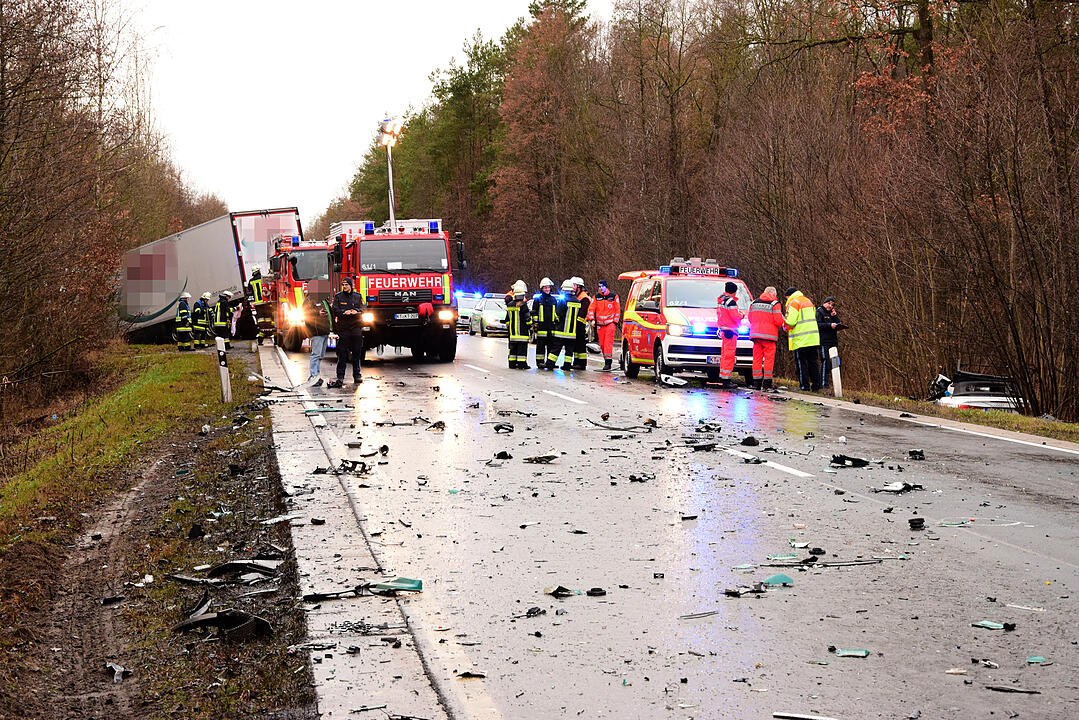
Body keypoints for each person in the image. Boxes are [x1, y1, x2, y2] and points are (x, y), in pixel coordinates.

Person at [328, 277, 365, 388]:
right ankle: (340, 376)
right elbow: (335, 310)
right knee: (342, 354)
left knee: (357, 353)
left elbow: (364, 308)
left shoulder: (357, 296)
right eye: (343, 285)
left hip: (356, 328)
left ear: (350, 285)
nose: (344, 287)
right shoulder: (338, 297)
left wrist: (356, 311)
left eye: (346, 285)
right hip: (344, 329)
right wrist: (345, 312)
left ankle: (357, 375)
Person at [784, 286, 821, 391]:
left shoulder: (793, 303)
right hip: (813, 338)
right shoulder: (808, 301)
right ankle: (816, 386)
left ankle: (805, 386)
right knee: (813, 363)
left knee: (802, 364)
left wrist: (784, 326)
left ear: (789, 296)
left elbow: (790, 322)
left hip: (801, 338)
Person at [748, 286, 785, 390]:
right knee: (769, 360)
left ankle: (756, 383)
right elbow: (778, 321)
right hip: (769, 336)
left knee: (757, 359)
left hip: (756, 335)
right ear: (774, 294)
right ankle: (767, 384)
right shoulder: (775, 304)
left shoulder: (754, 303)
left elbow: (750, 318)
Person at [302, 279, 333, 386]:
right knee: (316, 355)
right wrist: (317, 312)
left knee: (320, 355)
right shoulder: (309, 299)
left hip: (324, 331)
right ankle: (313, 376)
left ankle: (316, 375)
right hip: (316, 331)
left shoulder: (324, 300)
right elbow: (306, 312)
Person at [715, 281, 744, 388]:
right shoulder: (731, 301)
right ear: (734, 291)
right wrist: (742, 315)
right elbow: (735, 316)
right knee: (729, 356)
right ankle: (726, 380)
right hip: (731, 330)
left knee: (724, 355)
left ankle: (722, 376)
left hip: (724, 330)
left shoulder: (721, 300)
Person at [589, 280, 621, 371]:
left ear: (606, 287)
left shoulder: (613, 296)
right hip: (600, 324)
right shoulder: (596, 297)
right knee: (602, 344)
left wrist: (615, 322)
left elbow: (617, 310)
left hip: (610, 324)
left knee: (608, 343)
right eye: (599, 287)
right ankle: (606, 359)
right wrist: (592, 319)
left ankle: (608, 362)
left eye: (602, 286)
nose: (600, 288)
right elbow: (591, 309)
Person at [533, 278, 560, 370]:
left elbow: (556, 313)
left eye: (548, 287)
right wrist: (535, 324)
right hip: (541, 327)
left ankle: (550, 363)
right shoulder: (538, 300)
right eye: (545, 288)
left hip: (551, 327)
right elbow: (534, 312)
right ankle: (540, 362)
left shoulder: (553, 300)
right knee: (540, 346)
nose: (547, 289)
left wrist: (556, 323)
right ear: (542, 288)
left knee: (551, 346)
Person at [504, 280, 532, 369]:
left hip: (513, 333)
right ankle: (521, 364)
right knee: (522, 350)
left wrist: (509, 328)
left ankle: (512, 364)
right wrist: (530, 327)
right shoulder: (523, 305)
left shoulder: (509, 305)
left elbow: (507, 319)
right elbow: (527, 319)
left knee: (513, 349)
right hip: (522, 333)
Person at [553, 279, 578, 371]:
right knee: (569, 351)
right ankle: (567, 366)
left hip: (561, 331)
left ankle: (550, 364)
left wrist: (555, 321)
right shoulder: (577, 301)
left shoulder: (563, 300)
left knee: (555, 350)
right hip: (572, 332)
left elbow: (558, 314)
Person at [816, 296, 840, 389]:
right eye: (829, 304)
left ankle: (831, 383)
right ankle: (823, 384)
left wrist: (834, 316)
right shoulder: (819, 311)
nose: (830, 306)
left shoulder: (831, 313)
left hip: (832, 341)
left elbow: (838, 323)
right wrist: (829, 325)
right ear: (824, 303)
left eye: (832, 305)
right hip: (824, 341)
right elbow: (818, 325)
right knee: (825, 361)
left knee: (833, 363)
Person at [247, 266, 274, 345]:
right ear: (258, 271)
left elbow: (250, 290)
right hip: (266, 302)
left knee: (261, 318)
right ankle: (269, 331)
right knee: (268, 317)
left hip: (258, 304)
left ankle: (262, 333)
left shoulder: (251, 281)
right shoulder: (263, 278)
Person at [571, 277, 591, 370]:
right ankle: (576, 362)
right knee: (576, 344)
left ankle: (582, 363)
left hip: (581, 324)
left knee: (581, 345)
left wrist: (577, 322)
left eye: (574, 285)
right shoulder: (577, 296)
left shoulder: (584, 297)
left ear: (578, 286)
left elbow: (582, 313)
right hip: (576, 324)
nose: (572, 287)